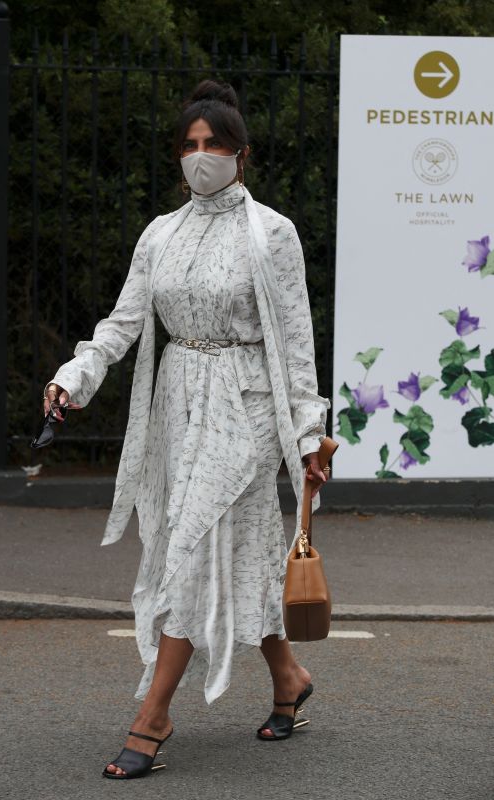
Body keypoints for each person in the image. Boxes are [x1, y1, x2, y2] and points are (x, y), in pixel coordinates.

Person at [43, 79, 331, 780]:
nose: (201, 156)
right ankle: (287, 676)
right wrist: (73, 376)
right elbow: (124, 323)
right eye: (191, 145)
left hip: (248, 403)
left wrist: (307, 434)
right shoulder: (161, 233)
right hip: (180, 405)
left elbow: (294, 340)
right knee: (231, 551)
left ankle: (153, 717)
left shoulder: (273, 234)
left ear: (241, 154)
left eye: (215, 145)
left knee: (193, 550)